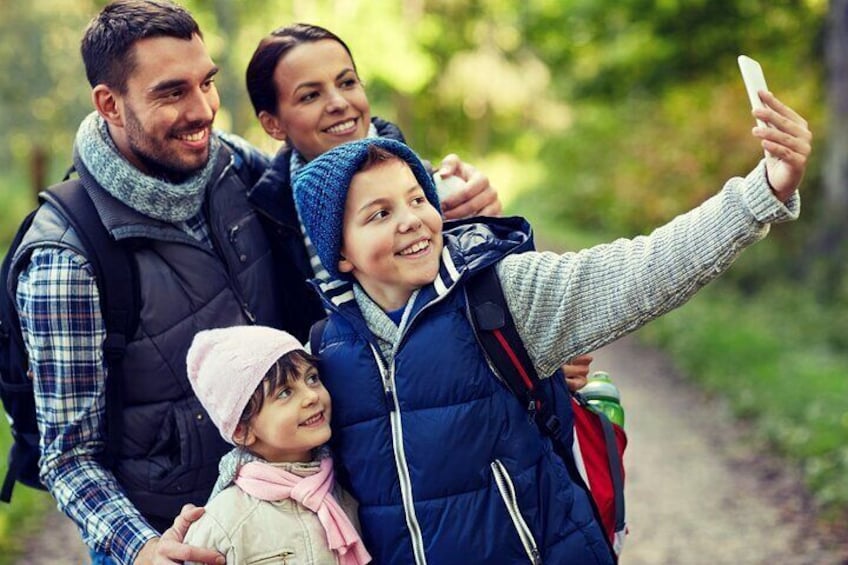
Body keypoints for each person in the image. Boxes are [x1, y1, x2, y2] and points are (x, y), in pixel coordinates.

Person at [8, 3, 500, 564]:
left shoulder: (228, 166)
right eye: (173, 92)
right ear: (110, 105)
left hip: (311, 509)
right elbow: (69, 457)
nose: (203, 111)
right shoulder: (65, 260)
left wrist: (448, 199)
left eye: (208, 82)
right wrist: (141, 548)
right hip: (189, 543)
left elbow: (332, 173)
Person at [279, 92, 809, 563]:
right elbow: (276, 458)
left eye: (418, 199)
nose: (412, 220)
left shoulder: (500, 294)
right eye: (379, 214)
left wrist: (761, 192)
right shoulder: (327, 352)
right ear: (340, 254)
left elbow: (643, 270)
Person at [242, 22, 592, 382]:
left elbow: (508, 303)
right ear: (273, 124)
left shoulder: (438, 190)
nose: (339, 103)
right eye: (310, 95)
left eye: (347, 82)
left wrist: (539, 350)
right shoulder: (265, 219)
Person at [183, 325, 370, 564]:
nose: (311, 396)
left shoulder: (343, 493)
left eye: (312, 378)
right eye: (284, 393)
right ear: (242, 431)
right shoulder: (224, 521)